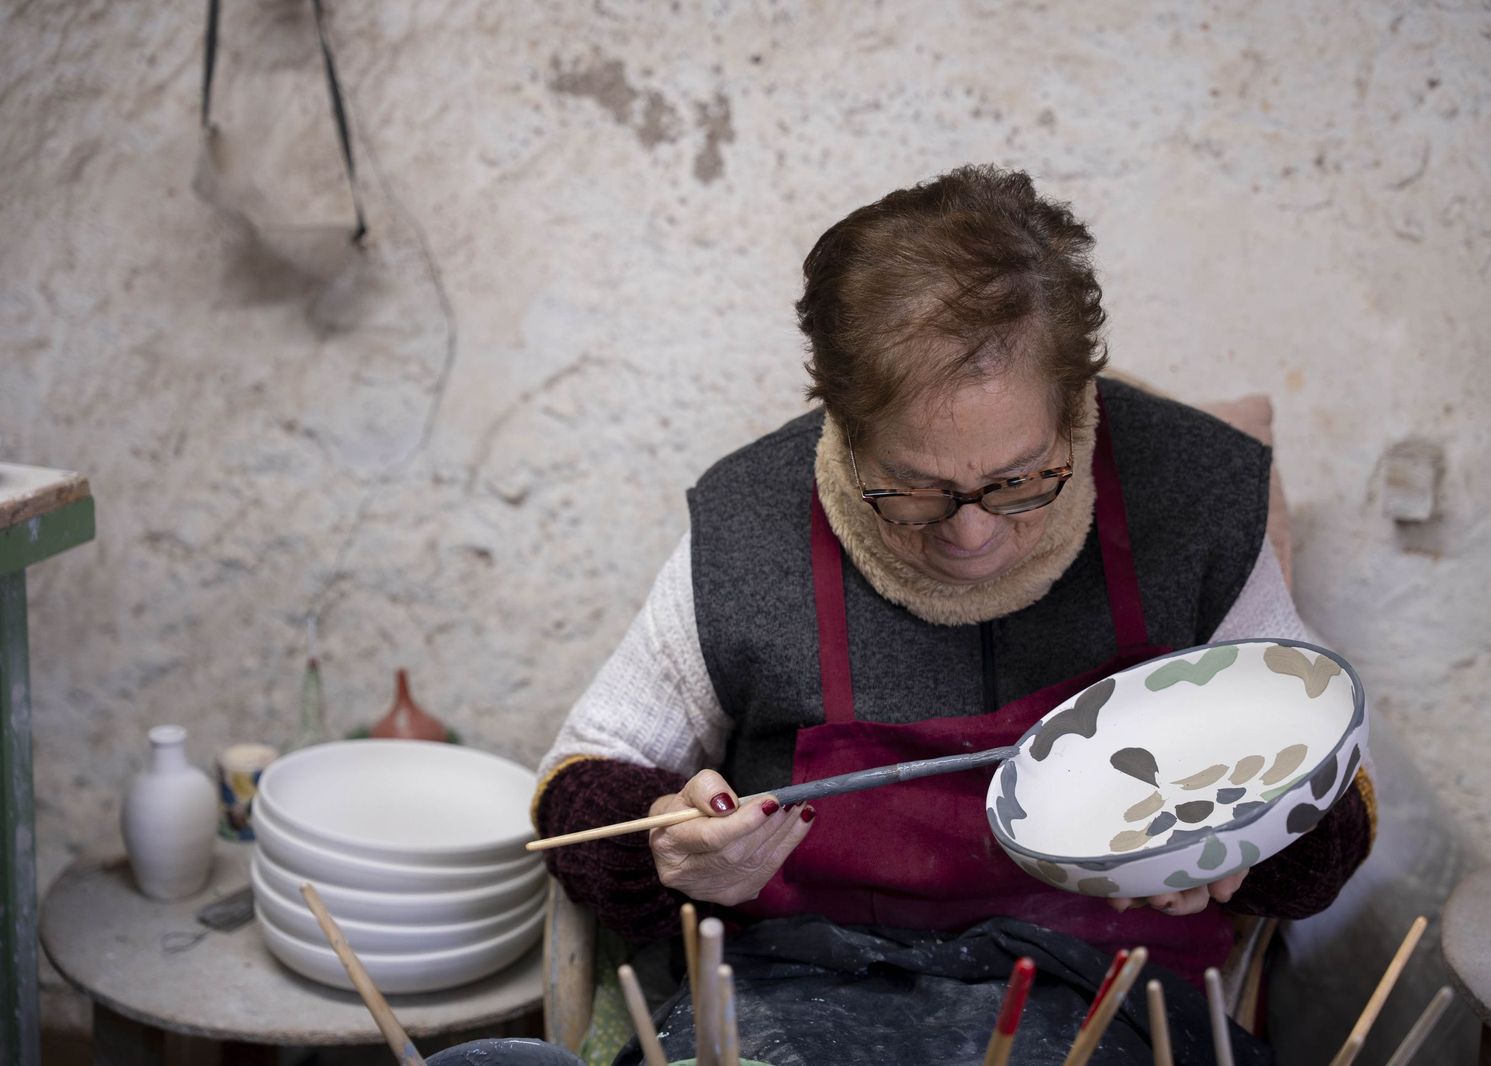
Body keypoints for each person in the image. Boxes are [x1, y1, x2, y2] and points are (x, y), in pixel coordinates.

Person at [531, 165, 1377, 1065]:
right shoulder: (752, 523)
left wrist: (1243, 848)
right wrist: (668, 848)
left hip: (1114, 995)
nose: (971, 537)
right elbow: (578, 792)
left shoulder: (1192, 492)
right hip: (809, 998)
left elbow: (1336, 802)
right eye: (916, 489)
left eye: (1018, 481)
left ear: (1079, 407)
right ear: (840, 427)